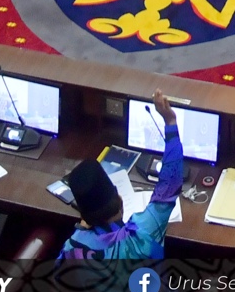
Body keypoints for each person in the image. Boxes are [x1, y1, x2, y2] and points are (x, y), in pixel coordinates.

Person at [59, 90, 182, 259]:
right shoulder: (141, 236)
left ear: (83, 216)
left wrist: (81, 230)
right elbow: (170, 186)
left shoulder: (71, 249)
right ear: (120, 200)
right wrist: (170, 122)